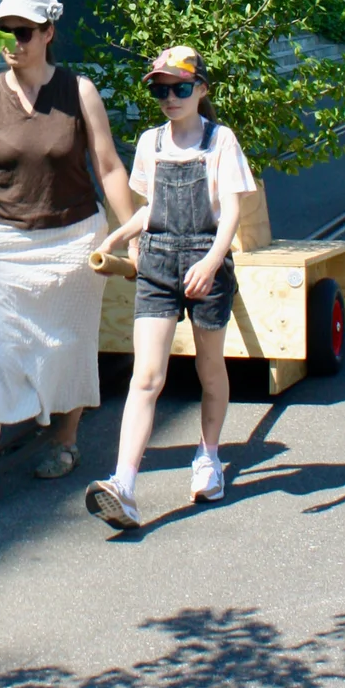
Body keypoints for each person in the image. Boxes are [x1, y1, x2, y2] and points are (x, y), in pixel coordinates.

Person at [0, 0, 135, 507]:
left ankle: (65, 441)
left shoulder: (79, 91)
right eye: (5, 32)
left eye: (23, 33)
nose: (13, 43)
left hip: (71, 239)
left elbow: (108, 167)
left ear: (47, 33)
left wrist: (134, 234)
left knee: (67, 343)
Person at [84, 47, 257, 531]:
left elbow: (232, 215)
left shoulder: (221, 141)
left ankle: (208, 456)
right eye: (161, 89)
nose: (170, 97)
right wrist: (120, 235)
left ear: (202, 89)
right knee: (147, 376)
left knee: (208, 367)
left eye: (181, 87)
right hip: (158, 262)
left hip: (207, 259)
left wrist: (211, 261)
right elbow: (150, 209)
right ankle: (124, 484)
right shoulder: (150, 143)